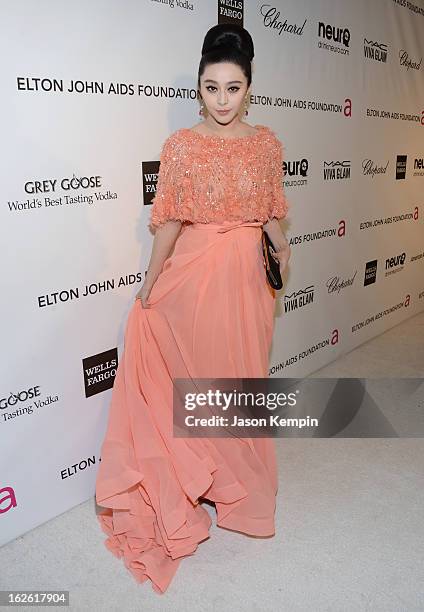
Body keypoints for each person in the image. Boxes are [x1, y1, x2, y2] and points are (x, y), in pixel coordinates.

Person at [95, 23, 291, 595]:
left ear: (249, 87)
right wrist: (150, 284)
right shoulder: (181, 146)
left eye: (233, 88)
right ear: (198, 89)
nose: (223, 100)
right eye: (212, 88)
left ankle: (241, 489)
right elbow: (171, 222)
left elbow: (271, 208)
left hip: (247, 281)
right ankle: (199, 482)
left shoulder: (268, 144)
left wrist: (281, 246)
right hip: (196, 274)